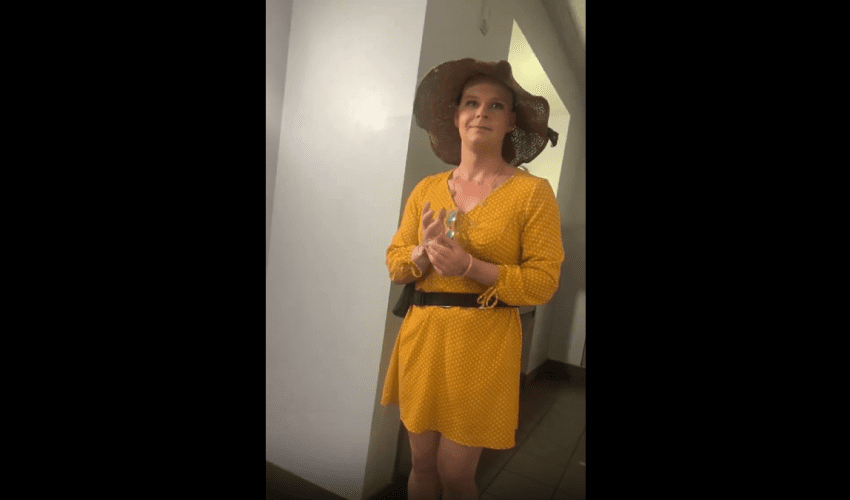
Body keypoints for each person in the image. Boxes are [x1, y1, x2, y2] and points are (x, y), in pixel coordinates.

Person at [381, 58, 565, 500]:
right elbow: (395, 262)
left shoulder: (532, 193)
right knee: (421, 464)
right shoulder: (426, 189)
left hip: (485, 345)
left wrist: (469, 267)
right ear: (456, 116)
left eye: (496, 105)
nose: (482, 112)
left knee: (456, 474)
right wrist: (422, 254)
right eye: (471, 103)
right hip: (423, 337)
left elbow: (543, 282)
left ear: (511, 122)